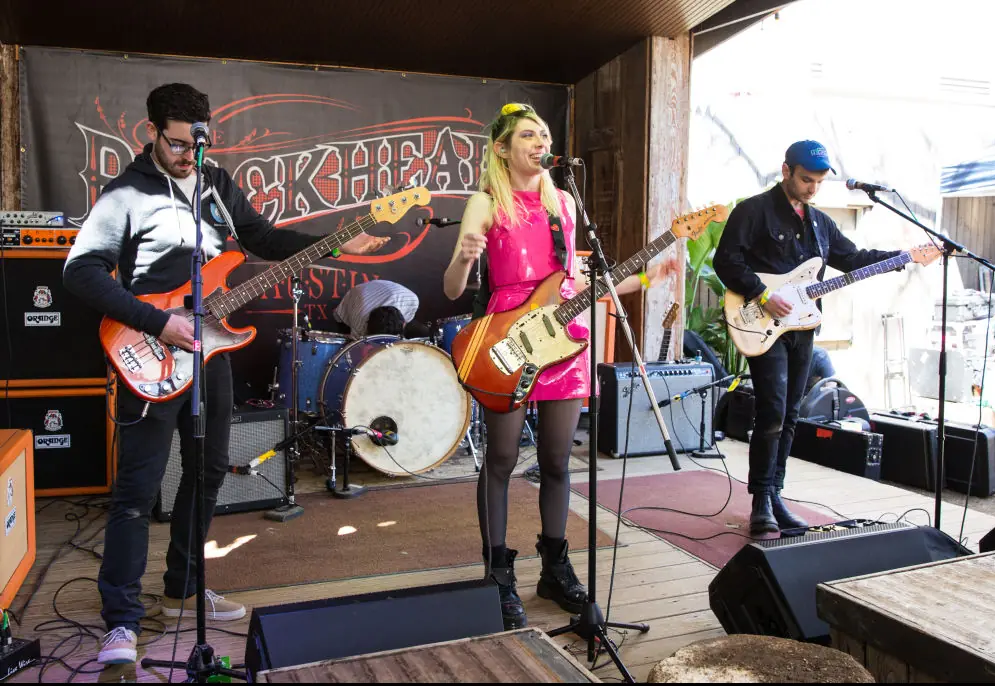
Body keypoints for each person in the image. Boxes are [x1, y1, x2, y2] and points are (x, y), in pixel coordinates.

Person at [63, 83, 388, 665]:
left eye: (199, 144)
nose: (189, 155)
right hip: (150, 350)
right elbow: (81, 272)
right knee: (137, 491)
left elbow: (259, 239)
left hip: (209, 350)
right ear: (153, 132)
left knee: (210, 470)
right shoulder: (127, 193)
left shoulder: (215, 184)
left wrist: (337, 243)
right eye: (179, 144)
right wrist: (156, 323)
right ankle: (121, 620)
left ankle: (184, 588)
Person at [442, 103, 678, 630]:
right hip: (507, 335)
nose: (539, 141)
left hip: (564, 343)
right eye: (527, 135)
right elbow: (453, 287)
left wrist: (645, 278)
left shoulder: (565, 202)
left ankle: (555, 565)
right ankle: (497, 571)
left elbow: (574, 285)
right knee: (501, 459)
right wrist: (464, 257)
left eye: (543, 134)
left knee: (557, 461)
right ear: (501, 148)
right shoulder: (486, 200)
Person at [713, 140, 935, 535]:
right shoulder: (754, 211)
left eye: (817, 181)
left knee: (792, 415)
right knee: (773, 412)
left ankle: (775, 495)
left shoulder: (820, 223)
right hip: (763, 323)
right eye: (805, 179)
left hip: (804, 328)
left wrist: (903, 257)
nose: (812, 188)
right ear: (786, 171)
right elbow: (725, 260)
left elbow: (852, 259)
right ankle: (760, 501)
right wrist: (763, 293)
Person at [333, 279, 430, 338]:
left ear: (403, 323)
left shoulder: (411, 301)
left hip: (392, 293)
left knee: (425, 333)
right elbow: (358, 346)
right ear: (368, 328)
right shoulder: (359, 323)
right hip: (354, 299)